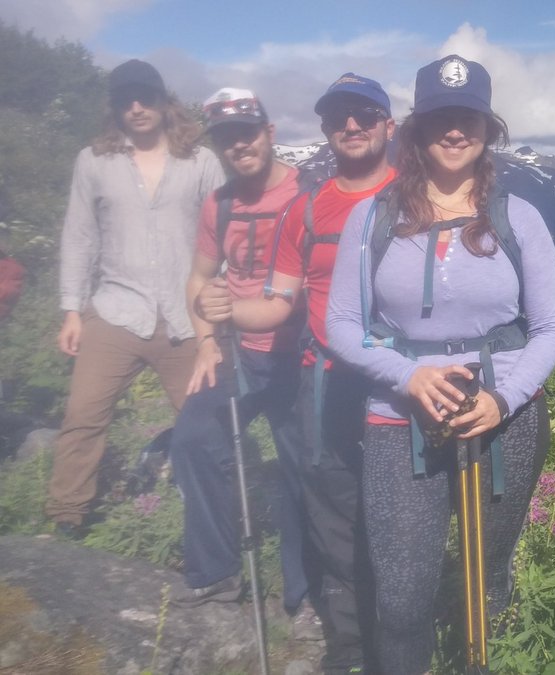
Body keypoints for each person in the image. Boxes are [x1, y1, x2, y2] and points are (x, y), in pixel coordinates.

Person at [325, 54, 555, 673]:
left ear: (487, 128)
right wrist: (409, 377)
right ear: (416, 129)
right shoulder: (373, 217)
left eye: (468, 117)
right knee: (402, 599)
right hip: (395, 419)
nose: (454, 130)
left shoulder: (521, 219)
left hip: (505, 421)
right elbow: (341, 327)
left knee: (484, 584)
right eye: (439, 117)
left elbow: (549, 332)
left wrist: (503, 398)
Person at [192, 72, 396, 674]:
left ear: (388, 123)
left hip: (401, 381)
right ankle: (353, 647)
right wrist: (227, 310)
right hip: (326, 376)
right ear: (327, 130)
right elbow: (280, 303)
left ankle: (400, 636)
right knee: (334, 514)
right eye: (338, 118)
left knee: (395, 510)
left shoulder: (417, 194)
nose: (351, 126)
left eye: (363, 114)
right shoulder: (306, 209)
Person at [47, 59, 224, 537]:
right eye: (126, 99)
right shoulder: (94, 161)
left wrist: (222, 313)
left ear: (166, 102)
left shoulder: (201, 162)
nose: (137, 107)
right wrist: (71, 309)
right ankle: (67, 518)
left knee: (207, 428)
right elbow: (79, 236)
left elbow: (223, 236)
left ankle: (214, 523)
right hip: (114, 312)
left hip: (187, 321)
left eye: (145, 96)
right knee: (83, 417)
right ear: (115, 107)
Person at [166, 88, 311, 623]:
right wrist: (204, 341)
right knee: (193, 441)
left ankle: (306, 592)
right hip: (238, 351)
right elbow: (199, 280)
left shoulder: (308, 194)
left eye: (247, 132)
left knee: (304, 469)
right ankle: (216, 572)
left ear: (270, 133)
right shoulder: (219, 204)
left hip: (299, 354)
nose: (238, 144)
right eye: (226, 137)